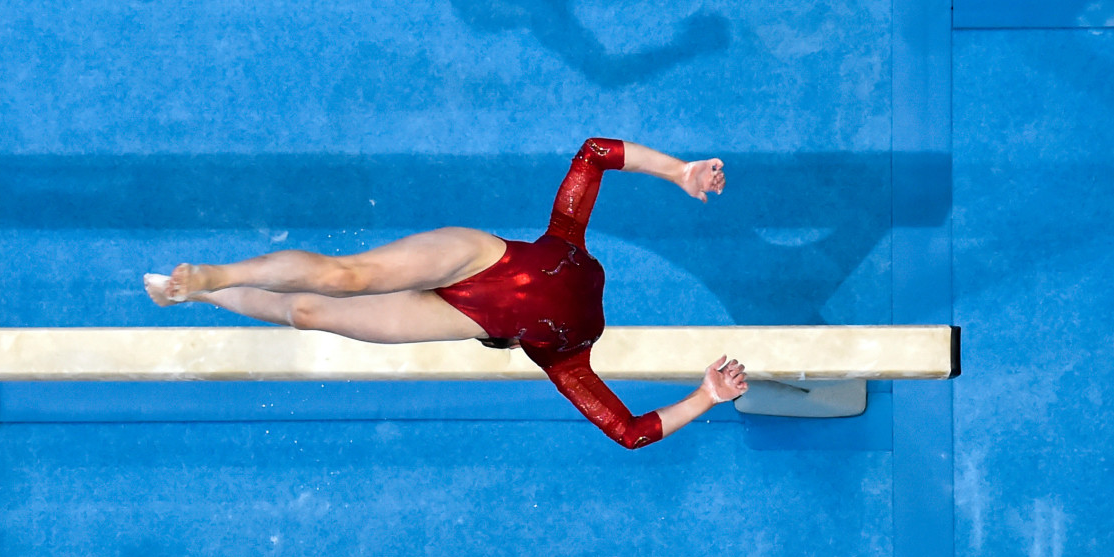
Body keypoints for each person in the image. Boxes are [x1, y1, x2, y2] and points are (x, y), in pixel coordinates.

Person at [144, 138, 747, 448]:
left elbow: (596, 154)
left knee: (309, 311)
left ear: (513, 344)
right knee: (345, 276)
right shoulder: (565, 342)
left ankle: (196, 295)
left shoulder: (565, 351)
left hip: (458, 312)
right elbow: (633, 433)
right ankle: (216, 274)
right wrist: (706, 396)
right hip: (478, 256)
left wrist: (677, 171)